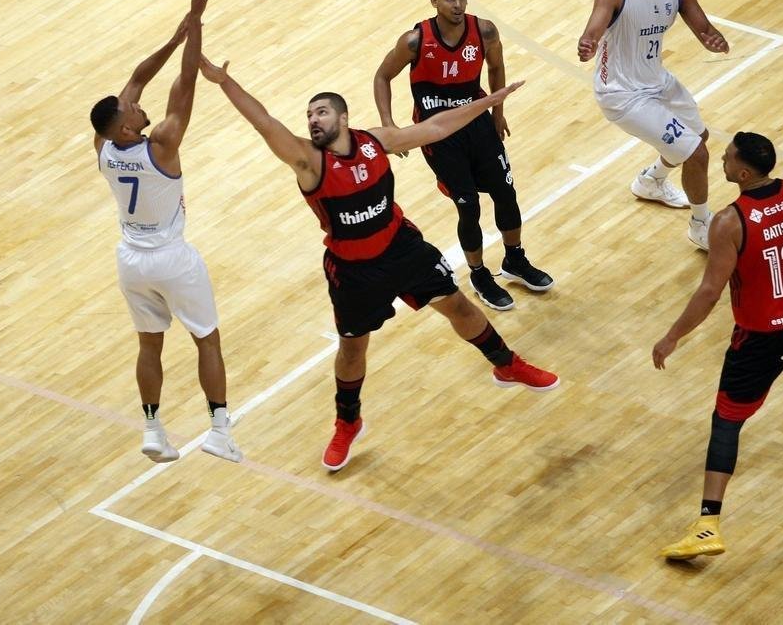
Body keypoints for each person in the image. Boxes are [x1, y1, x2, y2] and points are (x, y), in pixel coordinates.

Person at [198, 56, 559, 472]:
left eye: (321, 112)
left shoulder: (374, 141)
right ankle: (348, 422)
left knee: (458, 306)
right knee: (353, 349)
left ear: (343, 118)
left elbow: (436, 127)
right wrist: (224, 81)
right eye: (309, 115)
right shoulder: (308, 160)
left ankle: (507, 365)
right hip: (353, 268)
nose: (313, 120)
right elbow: (264, 122)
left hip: (401, 247)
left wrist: (490, 101)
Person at [650, 132, 783, 560]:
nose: (722, 161)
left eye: (728, 158)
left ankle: (708, 525)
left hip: (761, 336)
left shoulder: (729, 222)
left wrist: (672, 336)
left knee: (727, 420)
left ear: (744, 173)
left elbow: (710, 292)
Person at [90, 0, 241, 465]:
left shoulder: (104, 146)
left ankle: (153, 430)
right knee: (207, 339)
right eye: (131, 110)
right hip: (172, 258)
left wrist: (175, 38)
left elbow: (136, 79)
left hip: (130, 261)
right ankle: (219, 430)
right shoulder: (163, 144)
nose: (137, 103)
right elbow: (186, 83)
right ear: (127, 125)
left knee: (149, 345)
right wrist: (195, 22)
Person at [374, 0, 552, 311]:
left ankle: (514, 259)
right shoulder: (415, 41)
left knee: (505, 192)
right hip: (437, 132)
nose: (458, 4)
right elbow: (382, 76)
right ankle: (479, 274)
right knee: (468, 204)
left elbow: (496, 68)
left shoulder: (484, 31)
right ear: (434, 1)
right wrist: (388, 125)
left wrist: (498, 112)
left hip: (477, 122)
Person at [577, 0, 730, 251]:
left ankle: (651, 181)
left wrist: (714, 40)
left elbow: (703, 27)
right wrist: (588, 43)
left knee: (699, 136)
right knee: (696, 153)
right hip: (622, 94)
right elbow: (593, 29)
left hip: (656, 81)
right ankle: (700, 225)